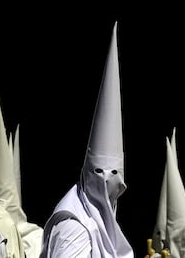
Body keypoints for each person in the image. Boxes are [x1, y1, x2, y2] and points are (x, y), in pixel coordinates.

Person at [39, 21, 134, 258]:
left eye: (114, 173)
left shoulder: (99, 216)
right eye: (98, 171)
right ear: (85, 171)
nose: (105, 181)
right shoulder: (74, 227)